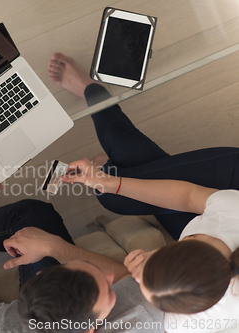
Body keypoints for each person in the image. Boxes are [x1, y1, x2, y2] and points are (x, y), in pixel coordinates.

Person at [47, 53, 239, 332]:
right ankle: (91, 89)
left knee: (111, 189)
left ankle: (108, 147)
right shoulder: (232, 213)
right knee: (119, 166)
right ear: (191, 237)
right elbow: (186, 197)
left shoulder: (189, 323)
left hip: (211, 235)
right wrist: (108, 181)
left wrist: (144, 276)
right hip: (233, 181)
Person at [0, 138, 164, 333]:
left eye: (108, 290)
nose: (111, 277)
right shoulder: (146, 314)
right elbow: (128, 278)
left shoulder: (0, 327)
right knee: (34, 214)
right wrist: (54, 246)